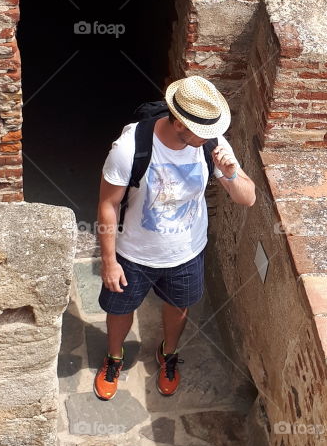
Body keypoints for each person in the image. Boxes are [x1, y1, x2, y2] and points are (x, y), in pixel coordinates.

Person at [94, 77, 255, 400]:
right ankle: (114, 358)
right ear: (180, 123)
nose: (210, 137)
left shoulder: (211, 143)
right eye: (202, 131)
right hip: (134, 253)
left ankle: (168, 354)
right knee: (120, 308)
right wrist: (110, 262)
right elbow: (108, 205)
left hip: (187, 252)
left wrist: (232, 173)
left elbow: (247, 198)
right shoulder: (130, 148)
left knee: (179, 306)